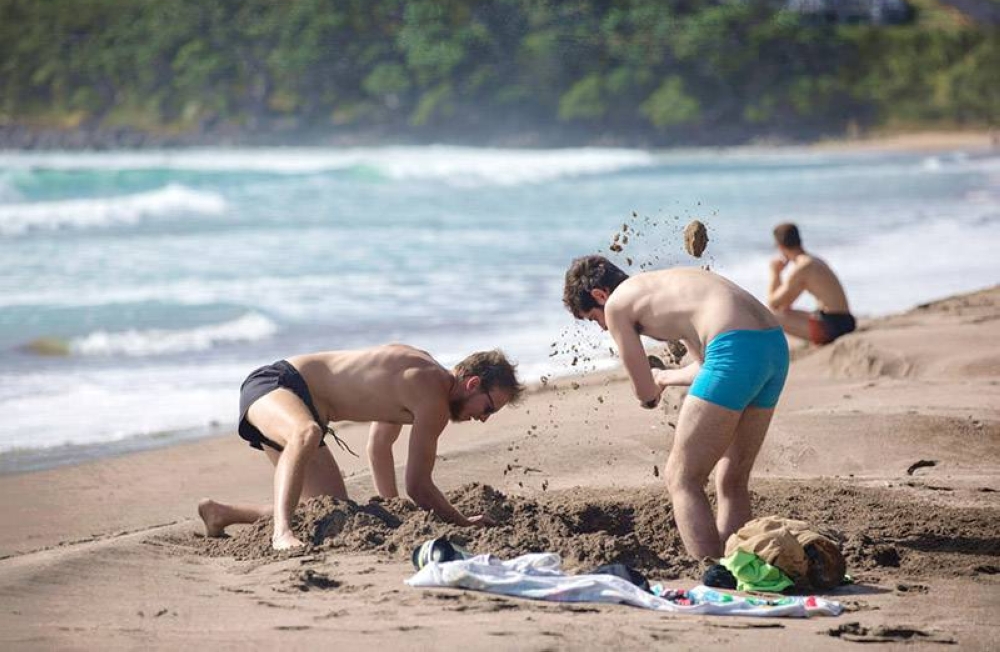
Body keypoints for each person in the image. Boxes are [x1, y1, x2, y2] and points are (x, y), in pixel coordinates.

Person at [563, 256, 788, 561]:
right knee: (731, 479)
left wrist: (650, 389)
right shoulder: (665, 286)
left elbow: (643, 393)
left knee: (681, 477)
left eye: (594, 318)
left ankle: (713, 571)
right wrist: (664, 377)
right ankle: (739, 565)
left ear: (600, 295)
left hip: (733, 348)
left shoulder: (616, 305)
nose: (603, 327)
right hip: (774, 346)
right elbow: (704, 367)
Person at [198, 345, 524, 550]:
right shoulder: (431, 393)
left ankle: (221, 514)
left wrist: (393, 508)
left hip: (301, 405)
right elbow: (419, 486)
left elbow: (379, 446)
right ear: (472, 384)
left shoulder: (420, 382)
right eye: (488, 408)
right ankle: (281, 534)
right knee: (306, 432)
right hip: (276, 385)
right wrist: (463, 522)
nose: (484, 419)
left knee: (330, 509)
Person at [768, 222, 856, 345]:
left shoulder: (803, 267)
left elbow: (773, 303)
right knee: (780, 312)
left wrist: (775, 273)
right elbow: (785, 304)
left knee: (771, 315)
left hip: (833, 327)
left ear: (780, 246)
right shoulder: (813, 261)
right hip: (844, 320)